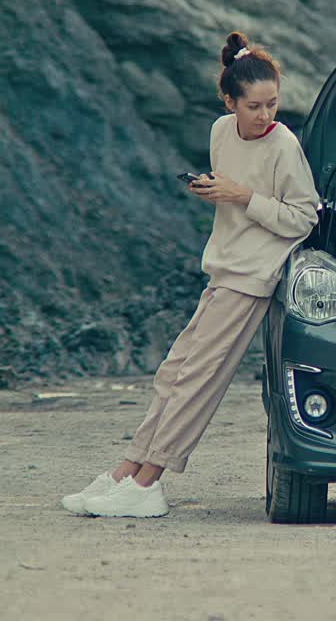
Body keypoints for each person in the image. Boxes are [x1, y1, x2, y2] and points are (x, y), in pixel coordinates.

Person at [60, 32, 320, 518]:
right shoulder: (221, 132)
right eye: (255, 106)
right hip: (222, 269)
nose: (266, 116)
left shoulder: (285, 145)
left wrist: (242, 196)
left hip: (251, 280)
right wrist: (216, 191)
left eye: (273, 105)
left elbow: (304, 217)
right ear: (230, 102)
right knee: (174, 375)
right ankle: (125, 473)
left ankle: (148, 483)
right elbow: (237, 195)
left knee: (196, 382)